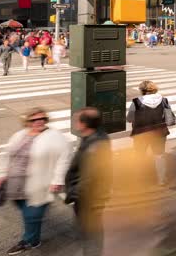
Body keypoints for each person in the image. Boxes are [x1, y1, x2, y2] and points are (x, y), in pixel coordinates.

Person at [0, 108, 72, 255]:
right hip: (15, 183)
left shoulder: (56, 137)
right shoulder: (19, 135)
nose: (38, 122)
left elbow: (64, 159)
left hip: (39, 183)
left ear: (46, 120)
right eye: (34, 120)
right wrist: (0, 174)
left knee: (32, 215)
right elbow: (6, 155)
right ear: (27, 122)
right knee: (26, 211)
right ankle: (35, 227)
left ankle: (29, 241)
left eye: (42, 119)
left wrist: (57, 180)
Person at [65, 108, 112, 255]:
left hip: (89, 199)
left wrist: (72, 194)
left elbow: (89, 177)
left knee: (91, 235)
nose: (75, 123)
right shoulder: (95, 138)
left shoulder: (95, 145)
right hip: (91, 197)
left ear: (83, 124)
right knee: (91, 233)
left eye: (77, 120)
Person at [126, 81, 173, 185]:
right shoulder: (163, 100)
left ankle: (140, 179)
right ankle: (161, 180)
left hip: (141, 133)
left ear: (142, 90)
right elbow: (169, 120)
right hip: (159, 132)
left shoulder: (136, 102)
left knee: (140, 155)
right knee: (159, 156)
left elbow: (129, 118)